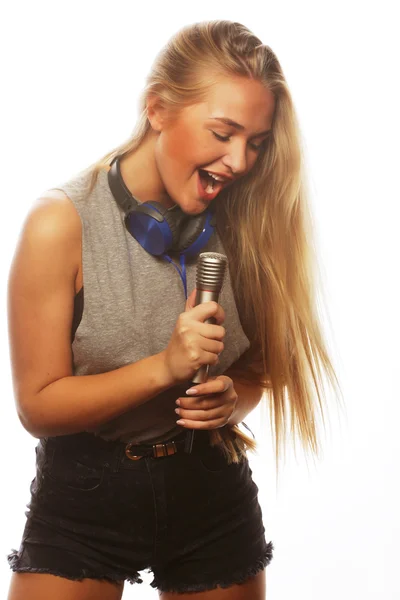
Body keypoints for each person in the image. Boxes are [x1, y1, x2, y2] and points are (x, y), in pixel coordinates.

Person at [6, 19, 341, 600]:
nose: (239, 161)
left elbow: (260, 369)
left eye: (256, 142)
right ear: (158, 108)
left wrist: (233, 399)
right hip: (85, 496)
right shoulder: (60, 224)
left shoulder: (247, 221)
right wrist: (165, 367)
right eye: (223, 132)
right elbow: (38, 406)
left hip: (210, 491)